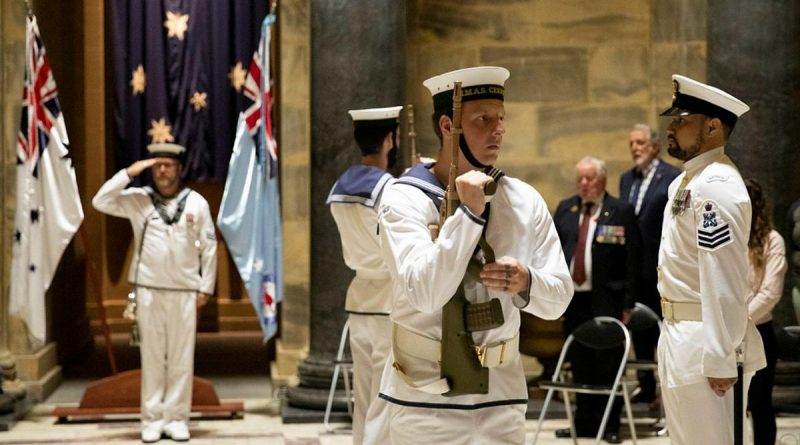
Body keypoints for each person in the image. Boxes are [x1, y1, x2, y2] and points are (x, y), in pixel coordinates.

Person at [363, 66, 573, 444]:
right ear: (448, 125)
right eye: (483, 119)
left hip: (501, 400)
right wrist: (469, 214)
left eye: (501, 118)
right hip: (424, 401)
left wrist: (527, 281)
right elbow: (424, 292)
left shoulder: (523, 200)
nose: (499, 129)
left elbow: (559, 299)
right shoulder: (404, 198)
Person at [657, 74, 766, 444]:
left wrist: (720, 355)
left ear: (713, 126)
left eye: (682, 120)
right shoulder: (687, 181)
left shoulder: (716, 186)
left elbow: (724, 276)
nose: (671, 128)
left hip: (705, 341)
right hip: (678, 334)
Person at [92, 143, 217, 443]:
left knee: (180, 358)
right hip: (149, 290)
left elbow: (210, 247)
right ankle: (151, 419)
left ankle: (176, 419)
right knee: (152, 357)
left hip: (185, 291)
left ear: (179, 169)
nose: (163, 171)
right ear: (151, 168)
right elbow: (100, 201)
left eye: (169, 165)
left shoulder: (196, 203)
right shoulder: (139, 200)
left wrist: (206, 287)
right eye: (158, 165)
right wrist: (129, 173)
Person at [326, 106, 402, 444]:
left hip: (359, 296)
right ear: (390, 139)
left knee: (363, 392)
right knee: (385, 395)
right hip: (388, 297)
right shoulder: (392, 189)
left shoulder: (340, 187)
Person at [552, 156, 641, 444]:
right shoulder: (567, 209)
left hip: (608, 301)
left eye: (589, 178)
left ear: (602, 180)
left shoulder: (620, 210)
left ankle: (611, 424)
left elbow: (633, 260)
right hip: (574, 301)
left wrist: (628, 302)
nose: (584, 184)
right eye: (580, 179)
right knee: (579, 365)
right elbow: (553, 251)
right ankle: (583, 424)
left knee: (609, 366)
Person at [619, 123, 680, 405]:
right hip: (634, 268)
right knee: (640, 333)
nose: (635, 149)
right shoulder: (626, 179)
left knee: (662, 331)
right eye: (632, 143)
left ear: (655, 146)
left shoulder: (671, 177)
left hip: (661, 267)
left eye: (640, 143)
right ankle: (646, 386)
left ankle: (668, 389)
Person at [744, 178, 787, 445]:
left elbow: (770, 293)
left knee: (759, 405)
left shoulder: (773, 241)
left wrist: (739, 322)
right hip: (726, 333)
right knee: (729, 407)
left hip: (757, 331)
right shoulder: (725, 238)